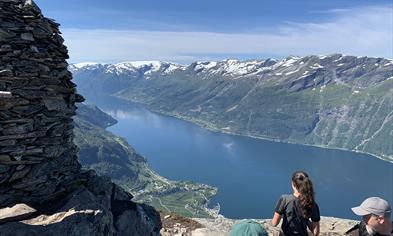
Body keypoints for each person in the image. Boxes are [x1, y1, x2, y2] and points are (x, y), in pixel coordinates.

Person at [272, 171, 320, 236]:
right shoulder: (313, 204)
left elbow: (274, 223)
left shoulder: (284, 199)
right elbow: (315, 232)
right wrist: (306, 220)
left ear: (293, 184)